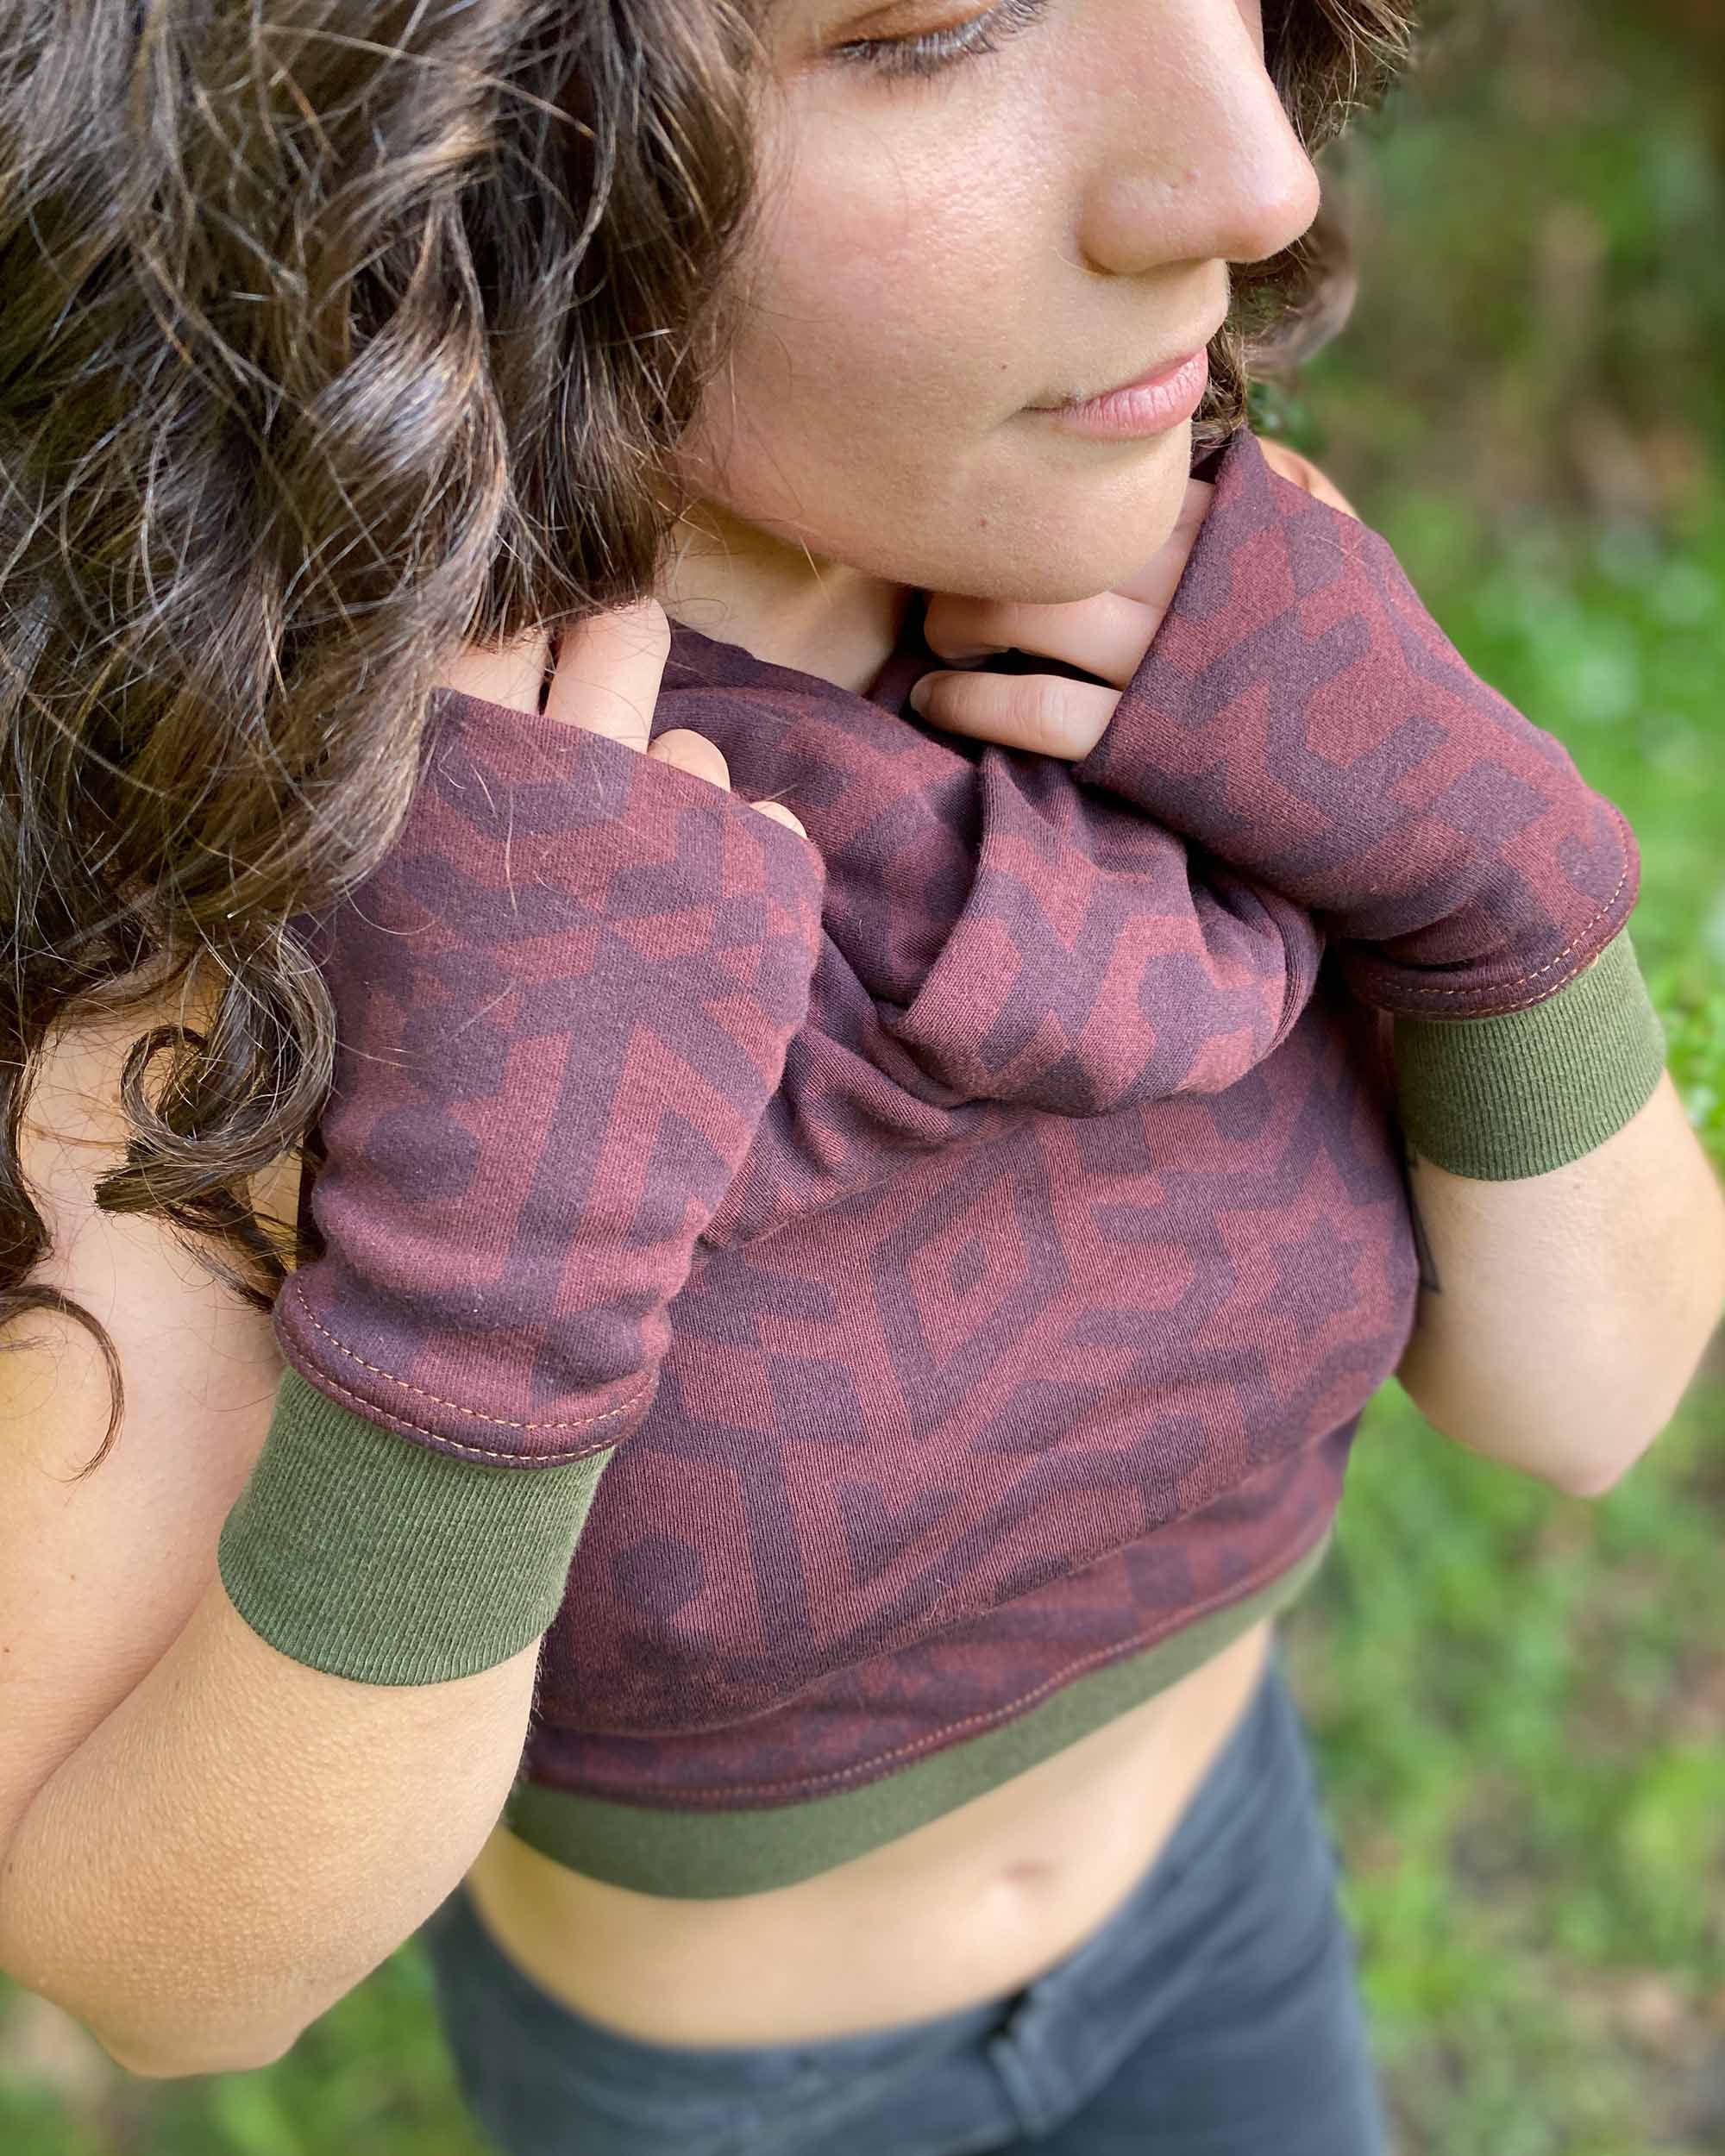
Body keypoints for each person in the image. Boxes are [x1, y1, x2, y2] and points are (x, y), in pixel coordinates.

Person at [3, 4, 1722, 2153]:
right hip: (720, 2098)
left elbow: (1586, 1402)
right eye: (925, 27)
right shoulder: (256, 895)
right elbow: (161, 1975)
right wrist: (491, 1263)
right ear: (462, 134)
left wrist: (1494, 871)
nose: (1255, 173)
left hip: (1232, 1909)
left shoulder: (1196, 573)